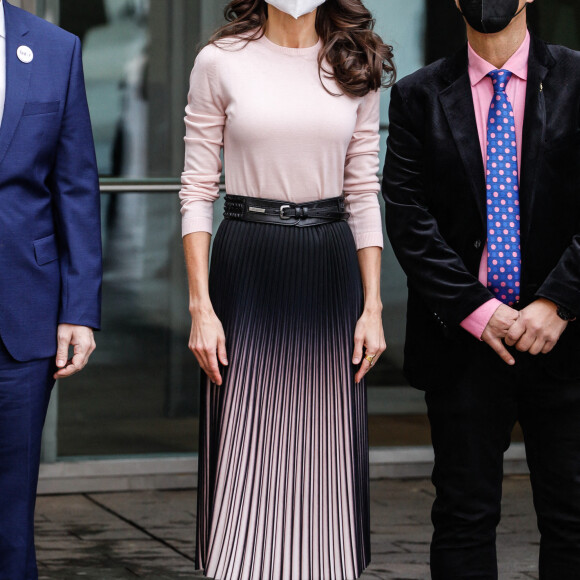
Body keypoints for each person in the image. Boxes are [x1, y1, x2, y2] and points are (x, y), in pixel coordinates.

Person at [179, 0, 394, 578]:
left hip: (328, 263)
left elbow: (362, 192)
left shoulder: (355, 62)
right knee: (245, 446)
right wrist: (201, 307)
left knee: (324, 447)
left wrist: (372, 305)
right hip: (246, 258)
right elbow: (198, 190)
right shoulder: (218, 61)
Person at [383, 0, 580, 578]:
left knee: (572, 519)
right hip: (463, 343)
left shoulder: (575, 77)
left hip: (565, 339)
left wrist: (557, 302)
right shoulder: (419, 94)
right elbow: (407, 216)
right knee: (464, 517)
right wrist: (478, 309)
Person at [0, 1, 102, 578]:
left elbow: (75, 186)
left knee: (10, 516)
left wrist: (79, 309)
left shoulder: (55, 48)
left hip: (20, 315)